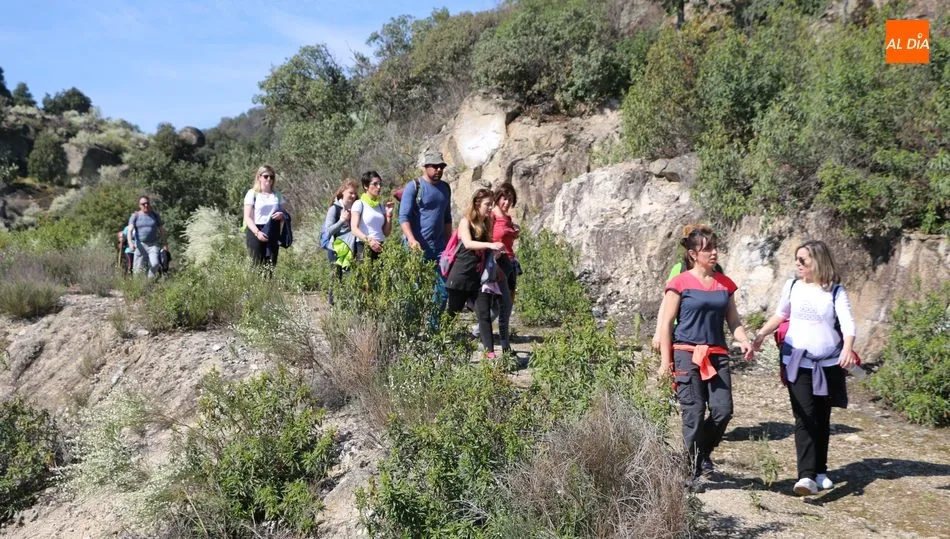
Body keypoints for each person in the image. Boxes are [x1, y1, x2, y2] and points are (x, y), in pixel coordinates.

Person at [751, 240, 856, 496]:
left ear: (817, 261)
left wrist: (847, 349)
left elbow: (849, 325)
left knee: (822, 417)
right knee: (805, 416)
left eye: (803, 260)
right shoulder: (792, 286)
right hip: (797, 362)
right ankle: (806, 477)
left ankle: (820, 470)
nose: (797, 264)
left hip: (828, 364)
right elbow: (780, 314)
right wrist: (762, 333)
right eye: (797, 260)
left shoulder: (835, 291)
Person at [657, 225, 754, 492]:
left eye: (715, 247)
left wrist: (744, 340)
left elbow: (733, 321)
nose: (714, 253)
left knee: (723, 411)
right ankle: (688, 473)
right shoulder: (679, 283)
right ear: (692, 253)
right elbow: (666, 324)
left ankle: (697, 455)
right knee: (694, 413)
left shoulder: (725, 285)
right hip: (686, 354)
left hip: (717, 355)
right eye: (707, 248)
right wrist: (666, 362)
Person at [445, 189, 506, 357]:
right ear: (477, 204)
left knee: (484, 314)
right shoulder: (466, 222)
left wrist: (496, 253)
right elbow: (468, 243)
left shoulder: (487, 223)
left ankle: (490, 354)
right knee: (452, 313)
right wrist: (490, 245)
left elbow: (485, 250)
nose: (490, 207)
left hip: (479, 279)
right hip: (461, 277)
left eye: (491, 204)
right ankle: (438, 344)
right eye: (487, 204)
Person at [652, 224, 725, 350]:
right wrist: (658, 332)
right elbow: (666, 302)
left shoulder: (716, 271)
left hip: (706, 331)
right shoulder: (679, 269)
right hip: (679, 328)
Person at [398, 151, 453, 307]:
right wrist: (411, 239)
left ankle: (434, 329)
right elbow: (404, 217)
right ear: (426, 167)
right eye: (435, 166)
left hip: (440, 248)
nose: (439, 170)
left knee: (443, 289)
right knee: (415, 289)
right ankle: (411, 328)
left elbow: (447, 217)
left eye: (441, 166)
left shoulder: (445, 188)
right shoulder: (414, 186)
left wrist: (450, 245)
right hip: (418, 248)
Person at [490, 182, 521, 354]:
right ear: (497, 197)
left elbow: (506, 237)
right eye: (504, 198)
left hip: (510, 263)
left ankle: (480, 331)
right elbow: (490, 237)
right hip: (497, 264)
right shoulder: (492, 216)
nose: (507, 203)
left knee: (504, 307)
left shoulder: (506, 217)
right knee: (504, 306)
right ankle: (505, 346)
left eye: (510, 199)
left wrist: (514, 232)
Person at [243, 165, 287, 268]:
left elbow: (284, 213)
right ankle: (255, 284)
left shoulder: (277, 195)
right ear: (259, 177)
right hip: (256, 230)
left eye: (272, 177)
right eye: (266, 176)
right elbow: (247, 217)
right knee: (256, 264)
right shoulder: (252, 194)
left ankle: (268, 284)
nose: (269, 179)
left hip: (273, 230)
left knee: (271, 264)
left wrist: (282, 215)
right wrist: (257, 233)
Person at [351, 171, 394, 262]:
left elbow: (386, 233)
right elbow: (354, 229)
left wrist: (389, 215)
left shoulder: (380, 206)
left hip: (380, 246)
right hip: (364, 246)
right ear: (366, 186)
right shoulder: (359, 204)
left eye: (380, 184)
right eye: (375, 184)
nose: (378, 187)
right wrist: (369, 241)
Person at [323, 178, 359, 277]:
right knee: (336, 282)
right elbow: (328, 231)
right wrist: (342, 220)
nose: (353, 196)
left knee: (350, 281)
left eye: (355, 193)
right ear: (343, 192)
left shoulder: (357, 208)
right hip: (336, 250)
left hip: (352, 250)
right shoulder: (334, 209)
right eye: (350, 193)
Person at [127, 196, 167, 279]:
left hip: (153, 244)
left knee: (155, 264)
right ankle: (137, 287)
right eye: (143, 204)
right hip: (140, 245)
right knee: (137, 270)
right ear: (139, 205)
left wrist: (165, 243)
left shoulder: (155, 215)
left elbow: (162, 230)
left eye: (147, 203)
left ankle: (149, 282)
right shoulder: (135, 216)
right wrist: (130, 243)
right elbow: (130, 231)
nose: (146, 205)